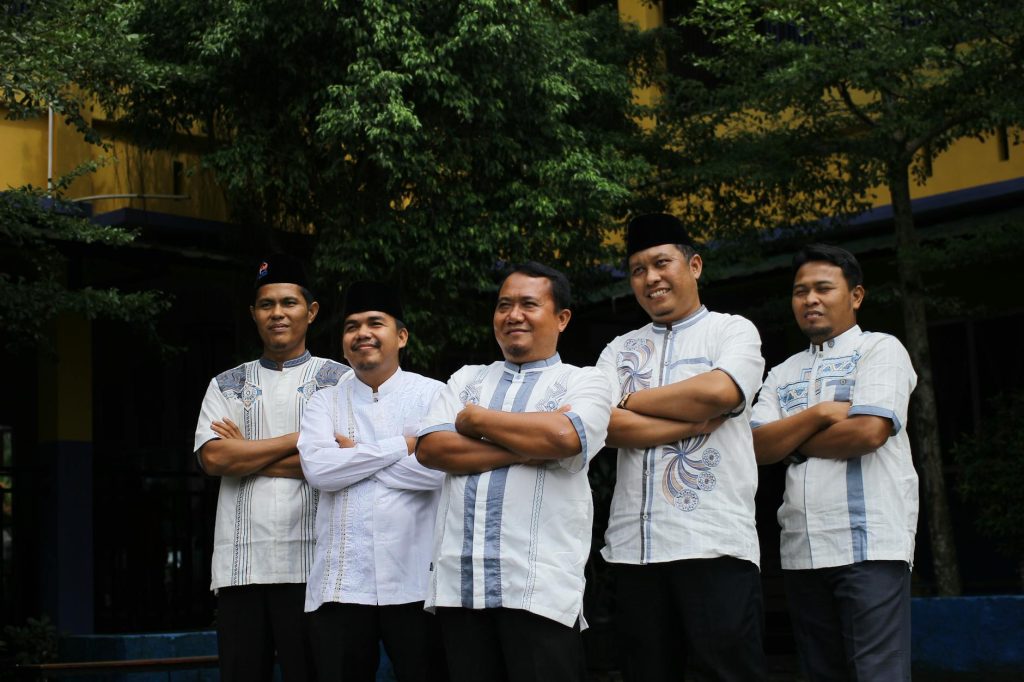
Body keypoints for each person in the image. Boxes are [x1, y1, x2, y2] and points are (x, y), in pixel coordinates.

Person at [416, 262, 612, 682]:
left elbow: (564, 437)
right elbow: (432, 448)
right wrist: (526, 448)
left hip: (540, 587)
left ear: (562, 318)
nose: (513, 315)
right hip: (460, 587)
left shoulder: (587, 381)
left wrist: (477, 421)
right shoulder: (466, 378)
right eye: (504, 305)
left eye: (528, 304)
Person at [597, 213, 767, 682]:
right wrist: (684, 420)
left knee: (727, 673)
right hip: (634, 551)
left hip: (713, 544)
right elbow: (604, 426)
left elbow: (719, 393)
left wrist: (630, 399)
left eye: (661, 263)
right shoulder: (618, 349)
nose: (650, 278)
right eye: (637, 269)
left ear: (694, 265)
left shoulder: (733, 331)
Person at [751, 244, 917, 682]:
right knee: (821, 673)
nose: (810, 300)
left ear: (856, 295)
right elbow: (755, 448)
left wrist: (794, 440)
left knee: (876, 673)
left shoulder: (880, 350)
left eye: (824, 288)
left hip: (870, 542)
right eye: (800, 291)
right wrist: (821, 415)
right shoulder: (782, 371)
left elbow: (868, 432)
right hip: (802, 549)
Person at [194, 254, 349, 682]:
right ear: (253, 314)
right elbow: (214, 458)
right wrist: (300, 442)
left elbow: (341, 461)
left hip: (315, 566)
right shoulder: (226, 383)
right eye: (266, 304)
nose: (277, 313)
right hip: (241, 567)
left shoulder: (340, 382)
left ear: (311, 312)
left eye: (289, 303)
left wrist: (246, 453)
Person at [297, 281, 447, 682]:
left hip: (418, 582)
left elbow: (437, 472)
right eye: (351, 326)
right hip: (342, 584)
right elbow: (320, 471)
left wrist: (355, 451)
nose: (362, 333)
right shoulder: (323, 401)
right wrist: (403, 445)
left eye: (375, 323)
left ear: (401, 336)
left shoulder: (434, 395)